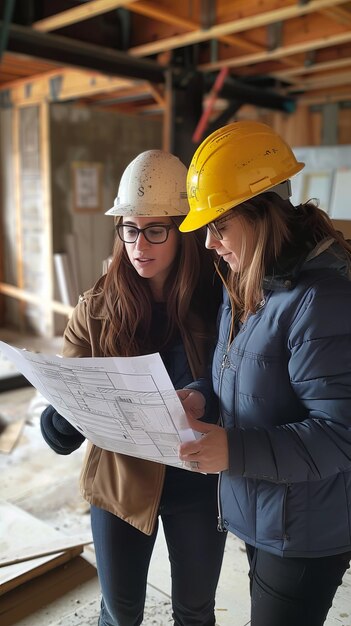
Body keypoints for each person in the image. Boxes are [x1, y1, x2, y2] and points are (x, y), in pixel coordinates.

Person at [40, 149, 226, 626]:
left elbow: (240, 386)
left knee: (194, 611)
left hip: (198, 483)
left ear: (184, 230)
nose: (138, 244)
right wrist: (61, 420)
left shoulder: (221, 301)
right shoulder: (96, 307)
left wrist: (204, 393)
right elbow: (70, 398)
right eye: (128, 228)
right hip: (122, 479)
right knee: (120, 613)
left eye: (155, 230)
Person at [178, 121, 351, 626]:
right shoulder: (253, 282)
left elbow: (340, 434)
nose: (210, 244)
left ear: (265, 216)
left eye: (220, 225)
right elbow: (241, 379)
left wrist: (233, 449)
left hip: (306, 530)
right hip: (264, 510)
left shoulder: (322, 301)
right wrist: (199, 397)